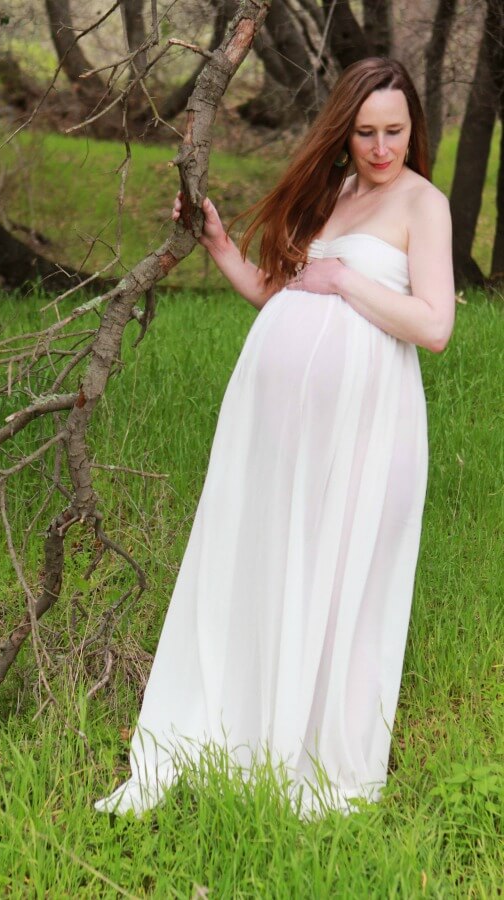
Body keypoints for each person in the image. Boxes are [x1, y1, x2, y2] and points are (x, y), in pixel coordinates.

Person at [95, 57, 455, 818]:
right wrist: (222, 244)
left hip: (366, 429)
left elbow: (436, 328)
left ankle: (312, 756)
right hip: (275, 430)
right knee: (267, 561)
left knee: (340, 577)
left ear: (414, 129)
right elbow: (275, 293)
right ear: (343, 130)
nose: (381, 148)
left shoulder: (424, 204)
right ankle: (243, 728)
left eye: (395, 131)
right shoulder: (336, 193)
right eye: (365, 133)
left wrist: (348, 283)